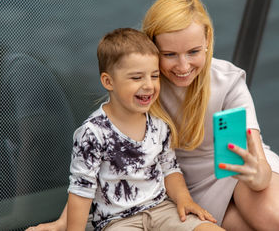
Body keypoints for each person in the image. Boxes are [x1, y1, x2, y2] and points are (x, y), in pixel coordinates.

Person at [27, 0, 279, 231]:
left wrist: (258, 175)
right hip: (181, 187)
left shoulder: (227, 80)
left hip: (233, 168)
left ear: (208, 41)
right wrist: (64, 222)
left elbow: (253, 152)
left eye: (194, 52)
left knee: (277, 217)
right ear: (152, 48)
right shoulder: (145, 85)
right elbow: (96, 163)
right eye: (169, 55)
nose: (182, 67)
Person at [65, 28, 222, 231]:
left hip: (162, 210)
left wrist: (185, 199)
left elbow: (169, 168)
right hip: (117, 222)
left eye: (154, 76)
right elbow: (81, 189)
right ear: (108, 81)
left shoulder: (159, 124)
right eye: (137, 77)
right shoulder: (92, 133)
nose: (149, 85)